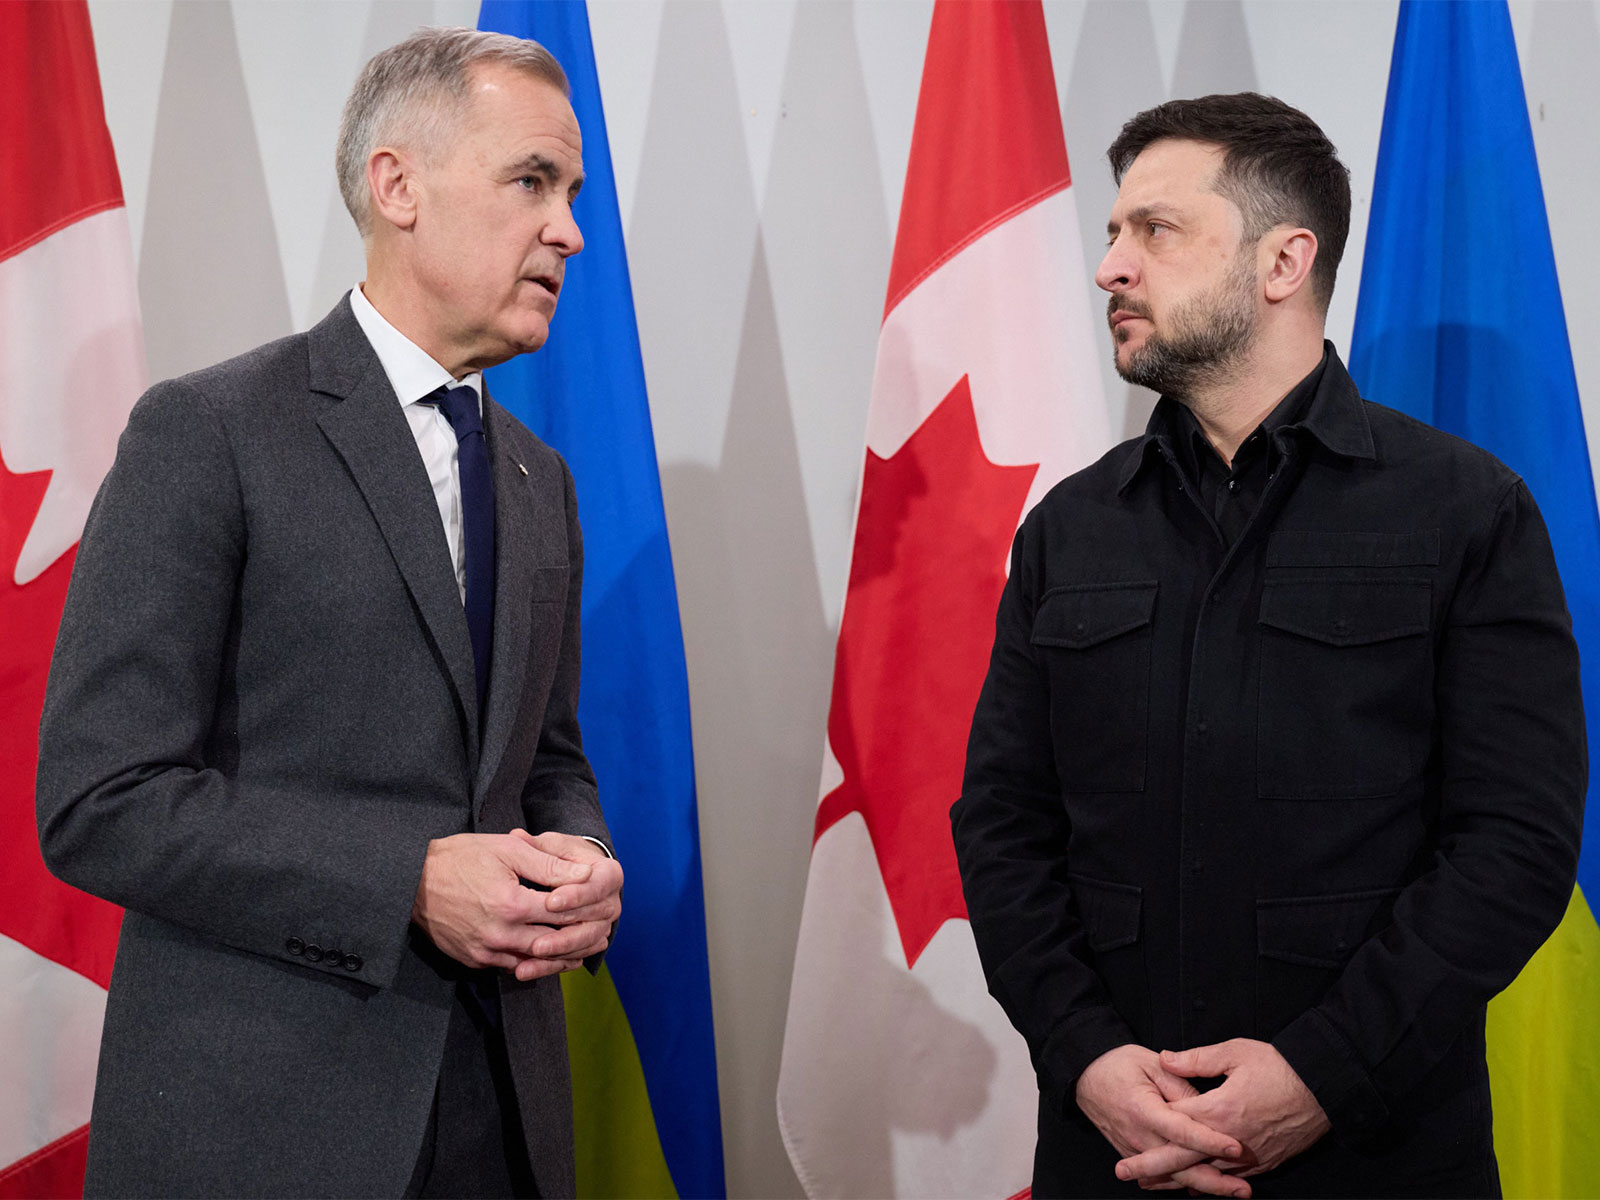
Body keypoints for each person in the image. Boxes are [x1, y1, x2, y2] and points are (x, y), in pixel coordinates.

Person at [951, 92, 1586, 1199]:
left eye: (1154, 230)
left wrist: (1320, 1075)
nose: (1109, 267)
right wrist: (1089, 1058)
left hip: (1379, 1155)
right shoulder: (1069, 527)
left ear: (1283, 260)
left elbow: (1515, 843)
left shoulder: (1465, 510)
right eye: (1111, 233)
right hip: (1114, 1153)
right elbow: (1003, 826)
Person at [36, 28, 622, 1199]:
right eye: (530, 181)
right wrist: (403, 876)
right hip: (268, 1128)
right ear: (395, 184)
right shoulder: (208, 434)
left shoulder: (535, 475)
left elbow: (543, 755)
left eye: (570, 194)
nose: (568, 230)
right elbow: (100, 800)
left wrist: (583, 852)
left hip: (504, 1117)